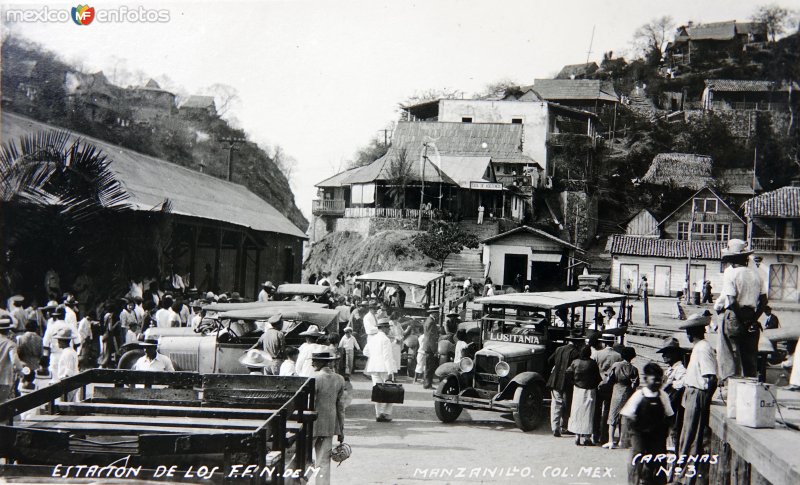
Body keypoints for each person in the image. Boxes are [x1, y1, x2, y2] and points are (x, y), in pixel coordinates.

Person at [675, 312, 717, 485]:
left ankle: (686, 478)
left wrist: (704, 400)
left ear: (694, 332)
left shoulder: (703, 348)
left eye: (689, 331)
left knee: (693, 435)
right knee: (687, 434)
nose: (687, 334)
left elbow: (710, 377)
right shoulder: (699, 347)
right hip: (692, 393)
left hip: (698, 394)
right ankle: (681, 474)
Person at [718, 239, 767, 380]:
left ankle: (732, 387)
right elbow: (764, 301)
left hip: (735, 316)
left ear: (732, 258)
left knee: (731, 354)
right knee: (750, 356)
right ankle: (750, 386)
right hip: (751, 315)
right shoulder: (757, 274)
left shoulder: (730, 273)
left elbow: (732, 301)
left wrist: (742, 321)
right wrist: (752, 320)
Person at [621, 363, 674, 485]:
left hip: (656, 433)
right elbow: (628, 415)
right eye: (654, 380)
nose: (657, 383)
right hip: (639, 432)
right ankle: (633, 481)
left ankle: (652, 481)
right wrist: (631, 434)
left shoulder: (663, 396)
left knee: (658, 458)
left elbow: (670, 415)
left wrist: (670, 432)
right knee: (638, 455)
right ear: (646, 379)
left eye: (659, 380)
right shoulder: (639, 395)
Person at [310, 351, 345, 485]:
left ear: (321, 362)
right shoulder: (339, 379)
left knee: (302, 458)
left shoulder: (314, 378)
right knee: (324, 461)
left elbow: (310, 403)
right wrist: (341, 430)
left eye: (315, 360)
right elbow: (341, 407)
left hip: (312, 423)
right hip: (329, 425)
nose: (312, 363)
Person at [363, 318, 398, 422]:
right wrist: (390, 372)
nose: (388, 329)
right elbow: (387, 357)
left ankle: (378, 414)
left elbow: (365, 351)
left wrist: (374, 357)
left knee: (377, 391)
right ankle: (386, 413)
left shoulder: (372, 338)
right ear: (382, 328)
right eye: (387, 327)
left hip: (374, 367)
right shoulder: (386, 339)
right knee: (390, 391)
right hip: (384, 368)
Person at [566, 345, 602, 446]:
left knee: (576, 412)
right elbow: (598, 378)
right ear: (589, 353)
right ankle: (587, 438)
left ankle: (577, 436)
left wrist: (574, 382)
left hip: (578, 390)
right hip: (590, 390)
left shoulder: (575, 362)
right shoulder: (592, 363)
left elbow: (568, 373)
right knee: (588, 414)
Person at [604, 346, 639, 449]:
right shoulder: (634, 369)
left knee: (613, 415)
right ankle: (621, 440)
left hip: (617, 389)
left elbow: (609, 378)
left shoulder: (616, 365)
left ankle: (611, 440)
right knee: (623, 417)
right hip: (628, 392)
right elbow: (636, 383)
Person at [657, 338, 687, 451]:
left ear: (675, 353)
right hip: (667, 408)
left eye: (666, 352)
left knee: (672, 436)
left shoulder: (680, 369)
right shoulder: (671, 369)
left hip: (674, 409)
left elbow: (685, 381)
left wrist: (671, 383)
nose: (663, 355)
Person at [547, 335, 579, 437]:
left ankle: (555, 427)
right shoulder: (576, 352)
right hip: (568, 382)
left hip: (555, 380)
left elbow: (549, 360)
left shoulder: (559, 349)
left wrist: (556, 368)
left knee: (556, 404)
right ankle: (564, 426)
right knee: (567, 404)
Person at [593, 334, 621, 445]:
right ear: (613, 343)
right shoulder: (618, 356)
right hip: (610, 386)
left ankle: (595, 434)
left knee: (596, 409)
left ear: (604, 343)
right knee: (607, 410)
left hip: (598, 384)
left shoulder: (597, 354)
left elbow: (593, 367)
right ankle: (604, 436)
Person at [0, 317, 22, 403]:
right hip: (4, 379)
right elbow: (15, 361)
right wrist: (20, 371)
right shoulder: (10, 344)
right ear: (8, 330)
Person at [422, 307, 440, 389]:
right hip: (430, 347)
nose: (438, 314)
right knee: (429, 366)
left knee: (429, 366)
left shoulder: (429, 320)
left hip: (428, 347)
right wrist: (434, 350)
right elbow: (431, 338)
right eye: (437, 312)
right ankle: (427, 384)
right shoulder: (431, 322)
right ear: (433, 313)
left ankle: (427, 383)